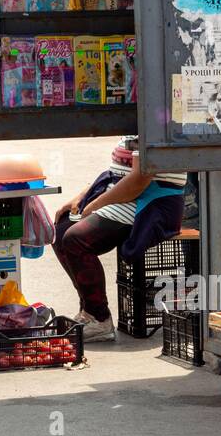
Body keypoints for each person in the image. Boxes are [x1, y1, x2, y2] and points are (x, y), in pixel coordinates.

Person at [53, 138, 186, 341]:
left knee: (76, 239)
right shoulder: (134, 117)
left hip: (151, 200)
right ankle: (88, 309)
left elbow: (139, 179)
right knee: (61, 231)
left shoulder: (154, 120)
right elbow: (118, 173)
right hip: (122, 193)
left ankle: (99, 318)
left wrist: (96, 203)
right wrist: (83, 196)